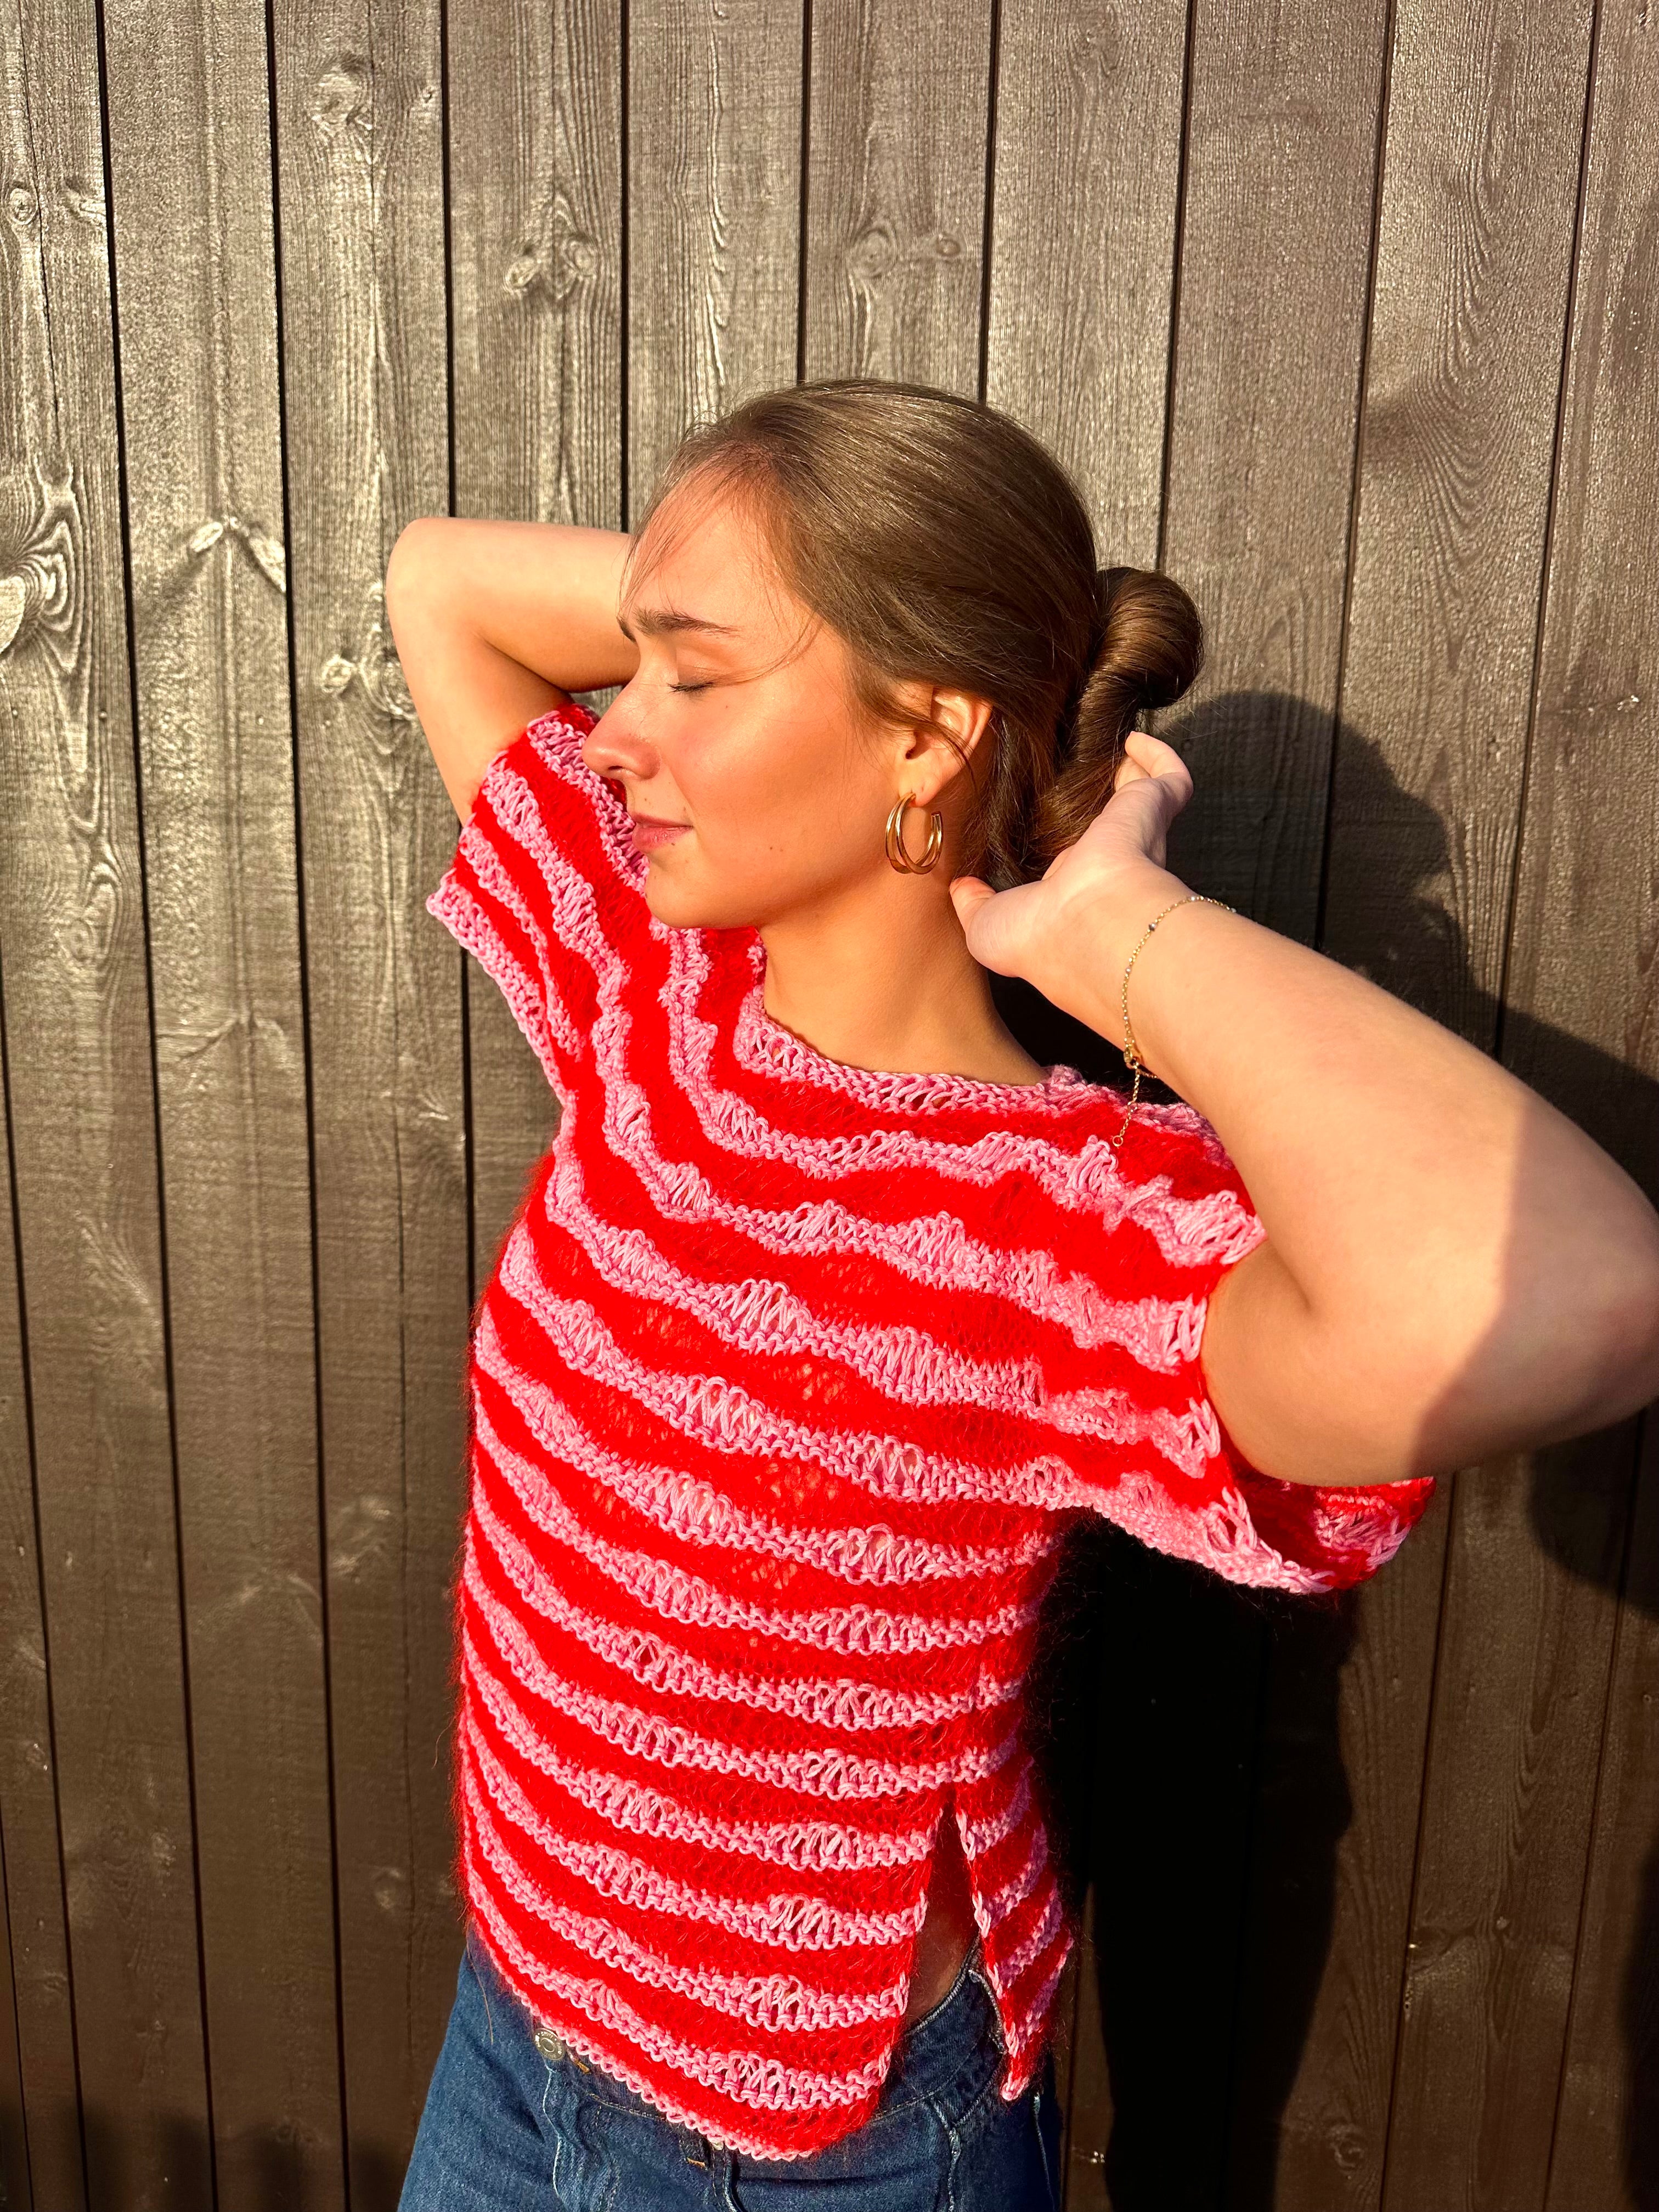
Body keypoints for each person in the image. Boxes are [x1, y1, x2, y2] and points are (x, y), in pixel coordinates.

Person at [385, 377, 1659, 2210]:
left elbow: (1588, 1296)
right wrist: (797, 618)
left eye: (693, 675)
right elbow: (439, 582)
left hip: (822, 2158)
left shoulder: (1063, 1223)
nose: (611, 735)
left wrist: (1114, 932)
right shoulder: (647, 999)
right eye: (636, 665)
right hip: (511, 2048)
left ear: (924, 736)